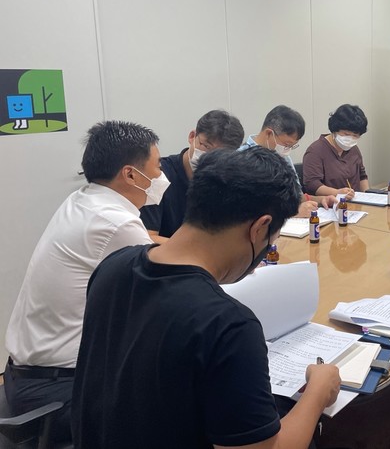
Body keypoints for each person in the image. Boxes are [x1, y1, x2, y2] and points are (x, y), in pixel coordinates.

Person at [71, 147, 341, 449]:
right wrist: (318, 392)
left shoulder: (113, 266)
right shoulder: (228, 324)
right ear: (260, 227)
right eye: (272, 239)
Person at [4, 121, 165, 443]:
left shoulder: (83, 200)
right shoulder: (116, 222)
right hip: (58, 392)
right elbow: (169, 289)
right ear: (131, 174)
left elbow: (149, 248)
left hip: (24, 375)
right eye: (157, 167)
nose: (162, 176)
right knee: (176, 398)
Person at [140, 109, 244, 241]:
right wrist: (194, 250)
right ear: (192, 136)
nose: (209, 158)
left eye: (219, 155)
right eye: (206, 146)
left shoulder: (226, 181)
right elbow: (148, 237)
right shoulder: (158, 176)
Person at [239, 105, 336, 217]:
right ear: (269, 133)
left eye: (292, 146)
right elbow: (246, 210)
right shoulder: (241, 159)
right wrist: (293, 214)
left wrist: (321, 200)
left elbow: (297, 197)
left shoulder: (283, 157)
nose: (287, 149)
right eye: (286, 144)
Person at [302, 104, 369, 198]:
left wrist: (368, 196)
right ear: (334, 130)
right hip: (329, 204)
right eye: (346, 134)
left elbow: (362, 176)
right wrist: (337, 192)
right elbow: (312, 185)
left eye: (355, 136)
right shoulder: (315, 151)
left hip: (355, 202)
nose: (350, 139)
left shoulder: (354, 149)